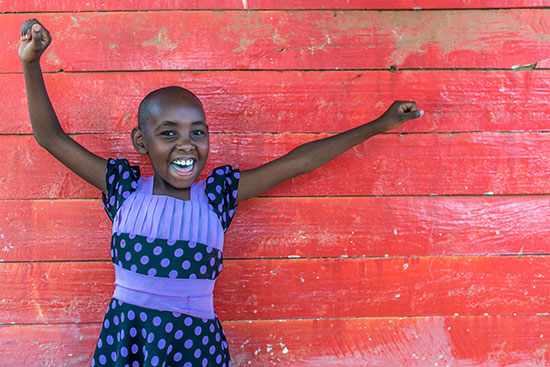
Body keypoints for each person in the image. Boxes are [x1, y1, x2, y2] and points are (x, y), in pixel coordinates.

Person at [19, 18, 423, 367]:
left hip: (195, 348)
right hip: (129, 344)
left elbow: (299, 162)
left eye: (197, 132)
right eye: (168, 133)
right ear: (141, 142)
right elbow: (50, 137)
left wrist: (377, 125)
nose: (186, 144)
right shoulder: (124, 190)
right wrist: (31, 63)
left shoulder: (216, 198)